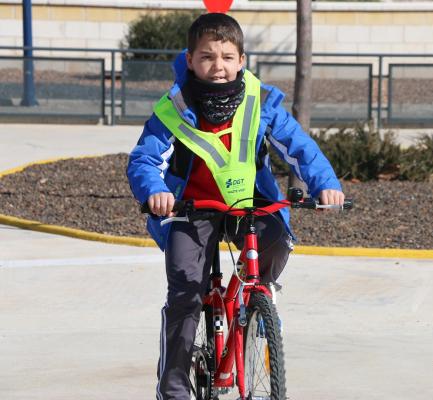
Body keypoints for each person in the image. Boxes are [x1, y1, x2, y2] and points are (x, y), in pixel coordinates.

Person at [126, 12, 344, 399]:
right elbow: (144, 160)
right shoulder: (174, 106)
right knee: (185, 295)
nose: (219, 66)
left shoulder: (262, 101)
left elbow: (299, 149)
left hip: (249, 202)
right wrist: (154, 192)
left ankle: (257, 298)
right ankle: (173, 388)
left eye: (228, 57)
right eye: (208, 57)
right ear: (190, 60)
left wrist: (325, 185)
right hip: (191, 209)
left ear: (242, 61)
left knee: (277, 234)